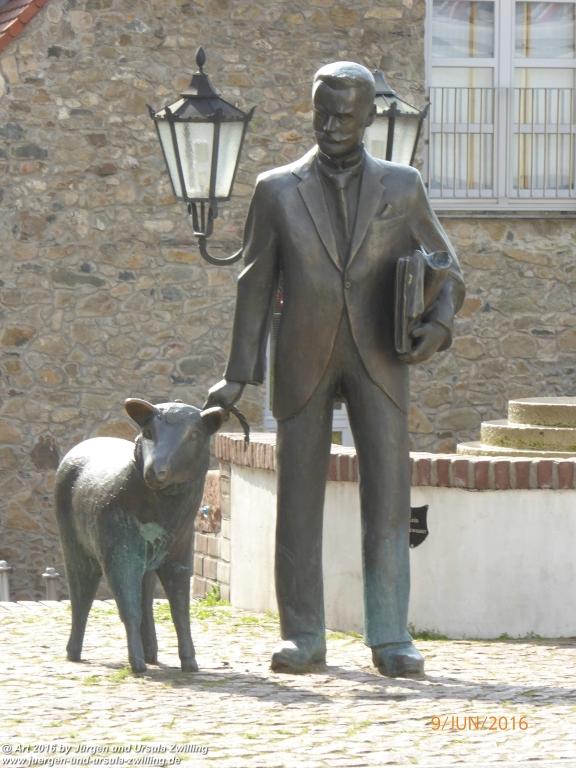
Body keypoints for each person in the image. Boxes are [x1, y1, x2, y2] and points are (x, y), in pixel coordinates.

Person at [206, 61, 465, 677]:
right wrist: (240, 374)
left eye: (345, 115)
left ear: (371, 115)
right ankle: (303, 633)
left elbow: (446, 267)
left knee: (389, 495)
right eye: (322, 112)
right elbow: (254, 281)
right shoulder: (277, 189)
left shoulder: (402, 187)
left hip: (381, 355)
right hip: (302, 355)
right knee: (297, 497)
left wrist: (440, 324)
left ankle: (390, 635)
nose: (331, 125)